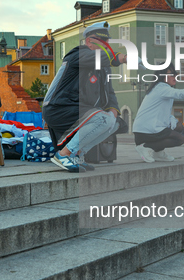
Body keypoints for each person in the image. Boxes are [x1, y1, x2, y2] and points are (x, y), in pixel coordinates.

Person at [42, 21, 125, 172]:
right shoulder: (78, 54)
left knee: (115, 122)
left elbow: (110, 92)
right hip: (59, 108)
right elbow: (104, 58)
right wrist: (122, 58)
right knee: (103, 119)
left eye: (107, 41)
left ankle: (76, 154)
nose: (107, 44)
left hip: (77, 109)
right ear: (89, 42)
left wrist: (113, 111)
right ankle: (63, 155)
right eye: (103, 41)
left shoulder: (103, 67)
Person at [132, 65, 184, 162]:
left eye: (176, 74)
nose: (175, 77)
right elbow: (180, 93)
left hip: (146, 129)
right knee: (180, 139)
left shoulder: (161, 89)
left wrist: (174, 122)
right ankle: (145, 147)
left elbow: (165, 114)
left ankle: (158, 152)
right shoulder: (161, 88)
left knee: (179, 126)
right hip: (145, 131)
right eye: (172, 74)